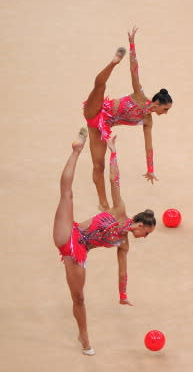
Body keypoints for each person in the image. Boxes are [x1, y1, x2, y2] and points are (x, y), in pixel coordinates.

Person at [52, 128, 156, 355]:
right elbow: (114, 180)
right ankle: (77, 150)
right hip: (70, 231)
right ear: (140, 225)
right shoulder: (119, 210)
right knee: (66, 193)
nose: (144, 237)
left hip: (77, 252)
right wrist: (113, 152)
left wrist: (123, 296)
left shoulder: (124, 243)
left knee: (78, 298)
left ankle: (84, 337)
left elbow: (122, 271)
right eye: (146, 233)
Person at [82, 26, 173, 211]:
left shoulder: (148, 121)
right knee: (100, 87)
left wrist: (151, 169)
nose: (166, 113)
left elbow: (149, 146)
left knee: (98, 166)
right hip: (97, 110)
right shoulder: (139, 95)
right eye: (166, 109)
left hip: (100, 127)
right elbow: (134, 70)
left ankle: (104, 203)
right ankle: (113, 63)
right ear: (158, 103)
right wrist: (132, 44)